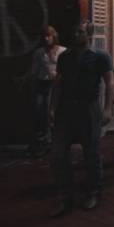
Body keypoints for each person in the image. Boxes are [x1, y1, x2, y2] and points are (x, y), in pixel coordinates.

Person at [47, 20, 114, 217]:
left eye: (80, 32)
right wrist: (52, 107)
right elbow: (58, 83)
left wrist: (107, 109)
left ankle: (93, 191)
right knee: (59, 153)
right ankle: (65, 196)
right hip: (66, 108)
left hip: (89, 108)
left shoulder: (100, 56)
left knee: (91, 152)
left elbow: (110, 82)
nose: (76, 35)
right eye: (74, 31)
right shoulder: (65, 57)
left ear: (89, 34)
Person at [28, 25, 65, 157]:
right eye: (44, 36)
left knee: (51, 112)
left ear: (54, 36)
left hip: (55, 85)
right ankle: (42, 142)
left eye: (48, 36)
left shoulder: (62, 51)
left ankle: (53, 142)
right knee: (40, 112)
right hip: (41, 84)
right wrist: (33, 86)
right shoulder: (39, 52)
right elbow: (34, 71)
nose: (46, 38)